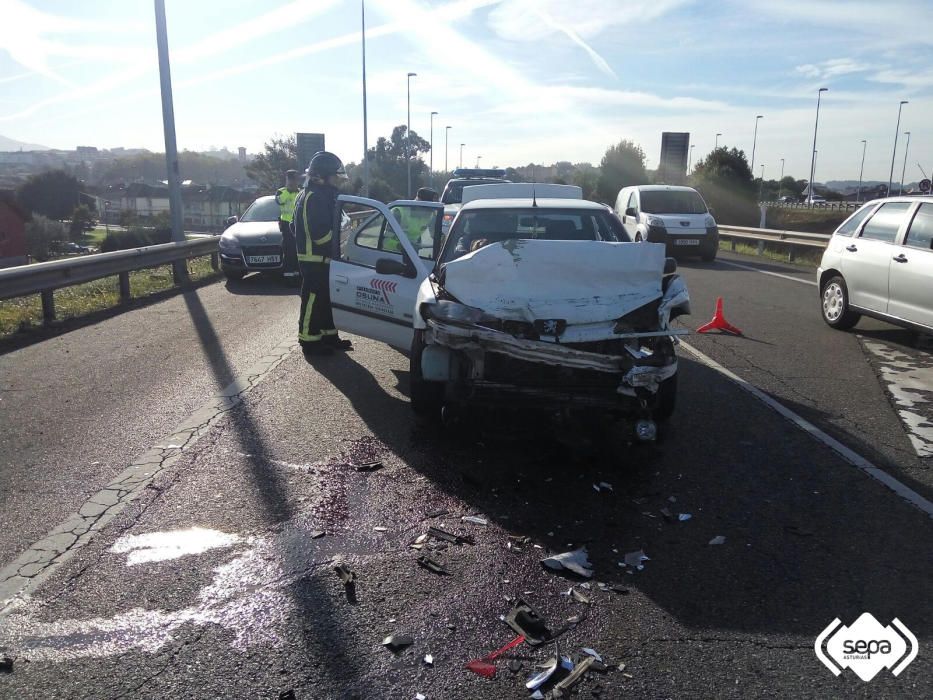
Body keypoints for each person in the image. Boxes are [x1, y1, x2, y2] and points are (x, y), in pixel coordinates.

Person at [291, 151, 353, 356]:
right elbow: (320, 234)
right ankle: (309, 341)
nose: (337, 182)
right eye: (335, 177)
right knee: (312, 299)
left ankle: (329, 336)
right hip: (314, 258)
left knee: (326, 299)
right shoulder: (314, 197)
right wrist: (338, 245)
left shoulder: (322, 194)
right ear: (323, 176)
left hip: (323, 257)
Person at [386, 187, 439, 255]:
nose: (429, 212)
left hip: (413, 253)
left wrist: (444, 239)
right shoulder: (398, 212)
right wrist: (403, 247)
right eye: (427, 208)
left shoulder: (431, 214)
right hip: (393, 253)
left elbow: (434, 234)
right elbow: (385, 241)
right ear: (419, 204)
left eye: (432, 209)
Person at [275, 170, 301, 279]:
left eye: (294, 180)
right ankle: (289, 277)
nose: (293, 182)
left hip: (298, 225)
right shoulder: (281, 192)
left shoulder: (301, 192)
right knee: (289, 252)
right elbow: (279, 201)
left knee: (298, 252)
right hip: (286, 226)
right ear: (287, 180)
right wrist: (289, 190)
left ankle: (298, 276)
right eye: (290, 179)